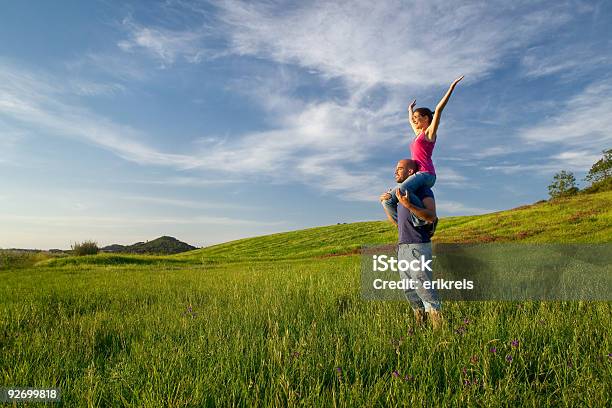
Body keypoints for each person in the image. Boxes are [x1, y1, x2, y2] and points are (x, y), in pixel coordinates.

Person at [382, 76, 464, 225]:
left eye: (416, 117)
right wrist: (409, 110)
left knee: (398, 192)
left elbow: (438, 110)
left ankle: (423, 222)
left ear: (426, 118)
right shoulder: (418, 134)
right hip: (419, 175)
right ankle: (405, 225)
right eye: (413, 117)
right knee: (387, 201)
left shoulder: (429, 134)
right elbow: (409, 122)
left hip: (426, 174)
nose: (414, 120)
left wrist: (451, 87)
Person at [380, 159, 443, 329]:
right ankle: (420, 327)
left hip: (418, 245)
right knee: (410, 291)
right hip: (403, 247)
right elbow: (398, 223)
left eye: (400, 169)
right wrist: (385, 203)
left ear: (410, 173)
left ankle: (440, 330)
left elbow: (431, 216)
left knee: (424, 288)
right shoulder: (400, 197)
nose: (395, 172)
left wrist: (409, 205)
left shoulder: (423, 190)